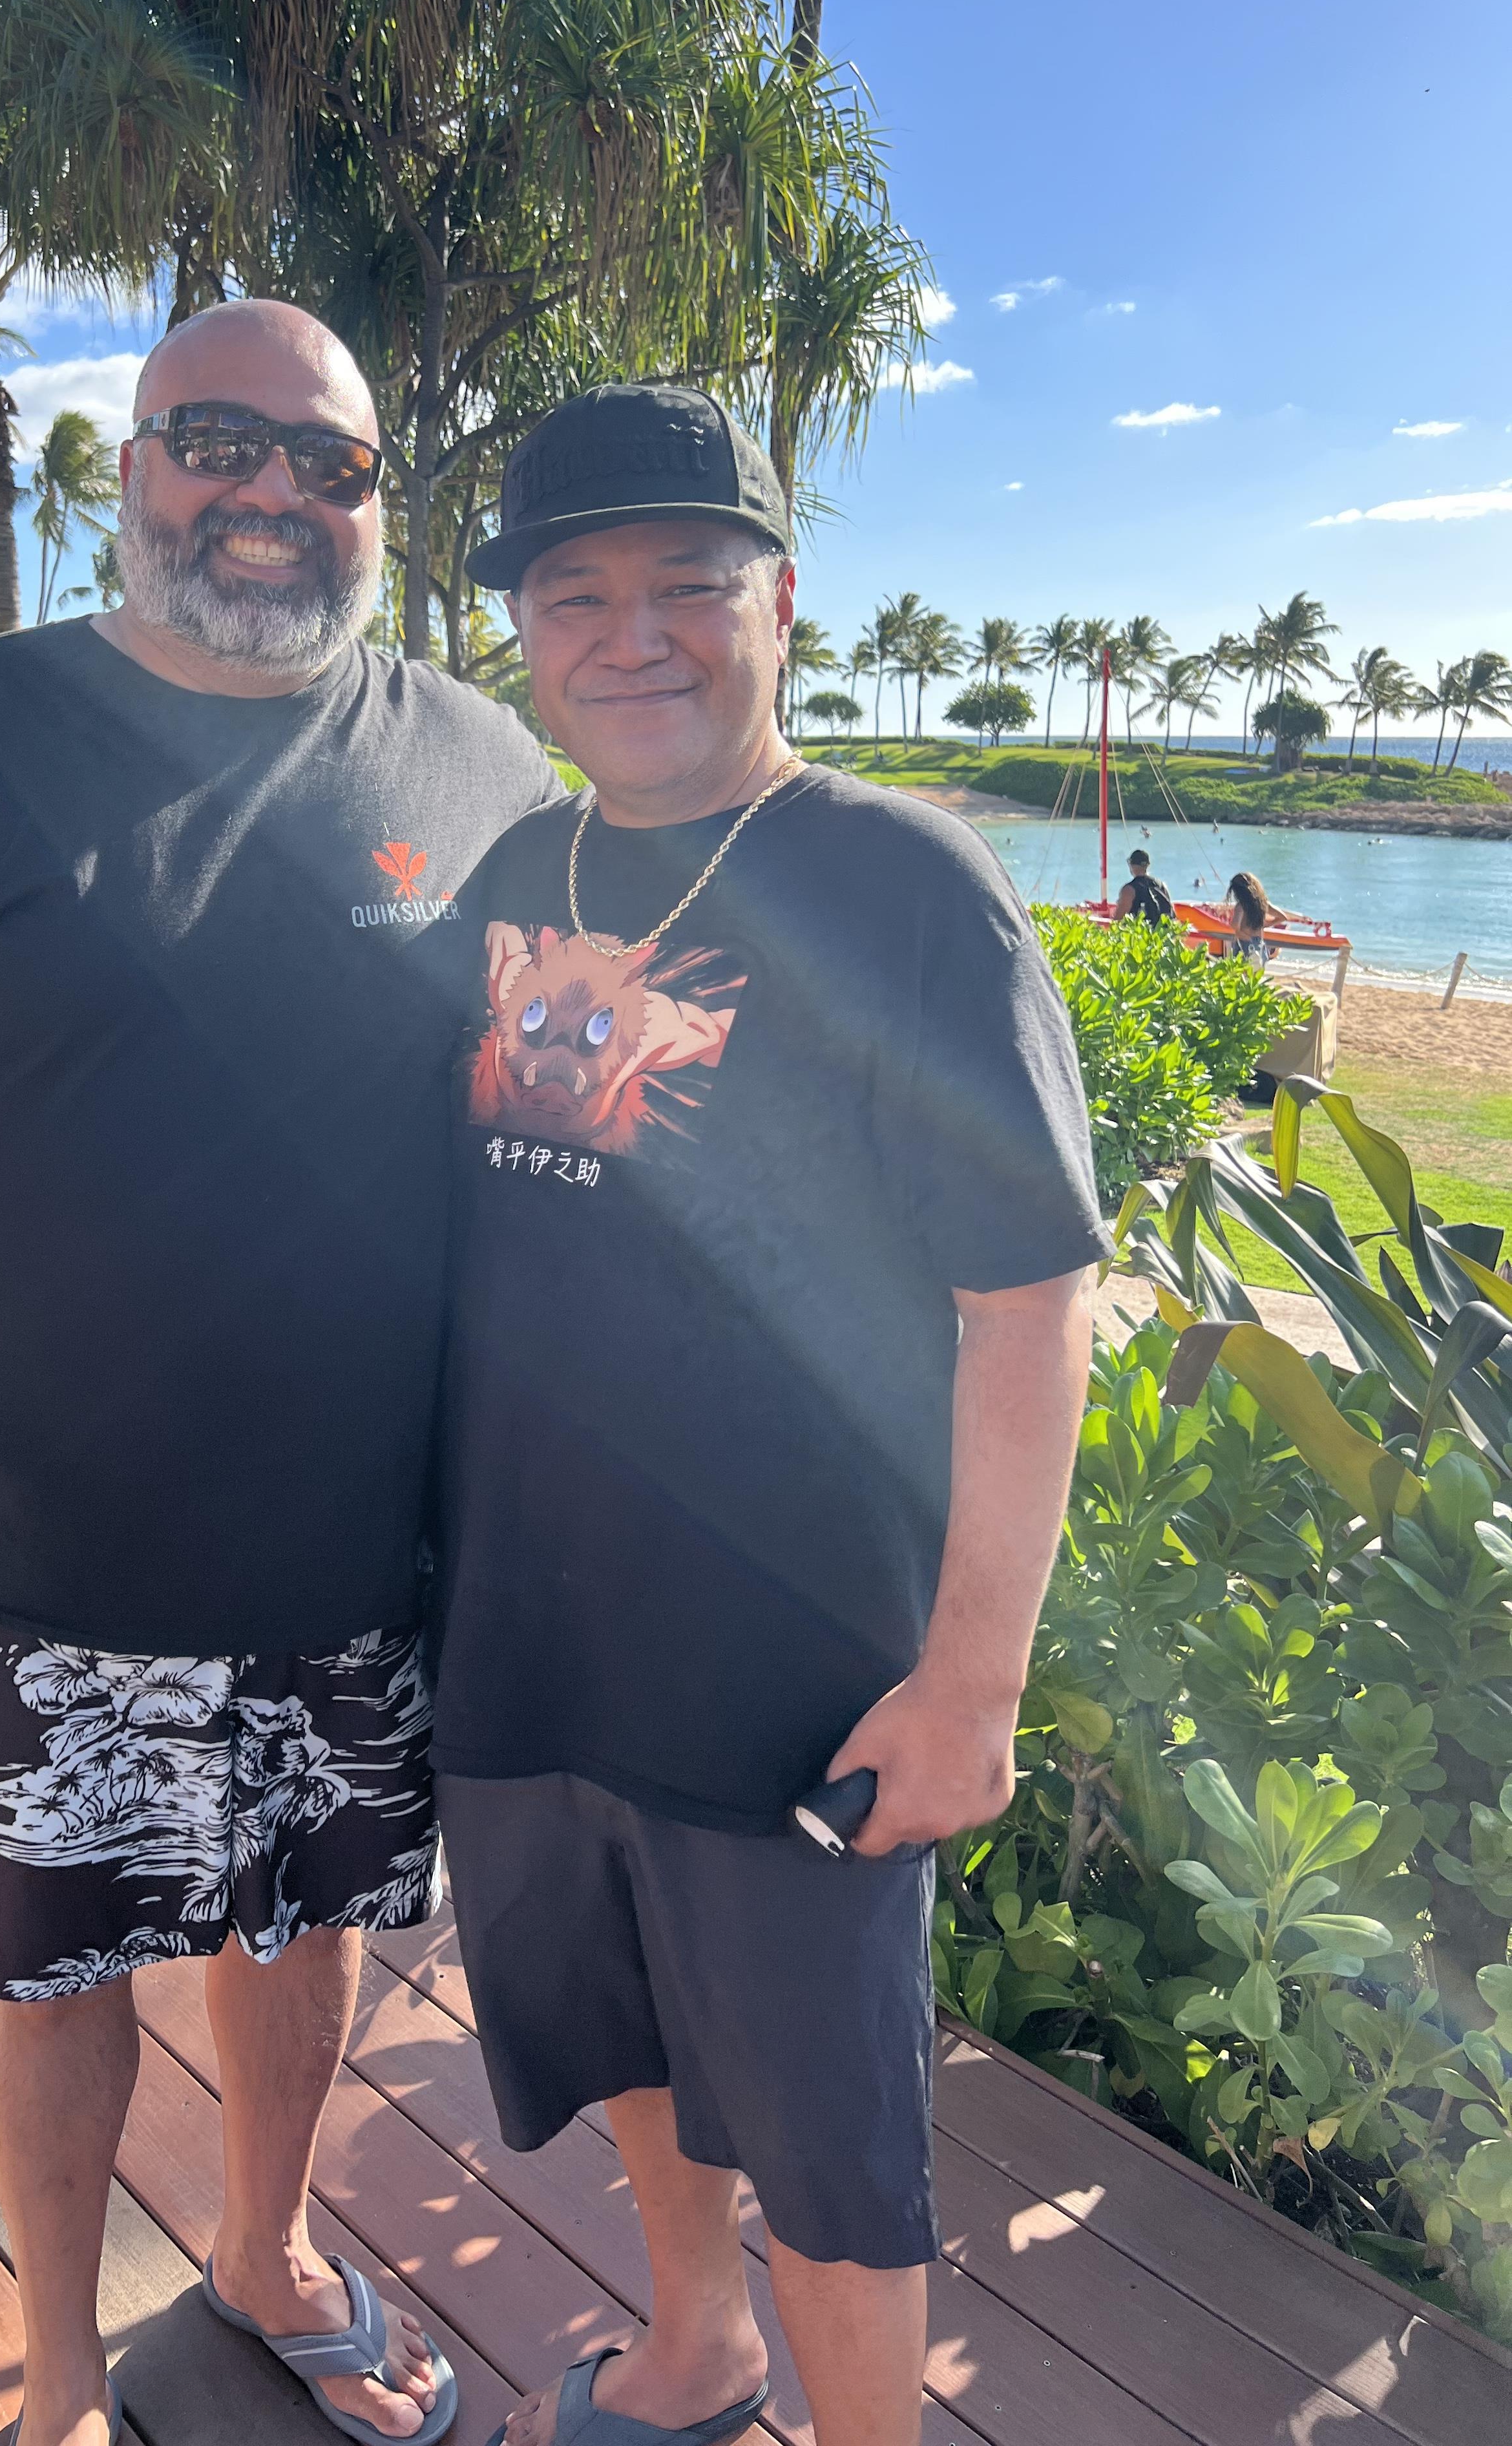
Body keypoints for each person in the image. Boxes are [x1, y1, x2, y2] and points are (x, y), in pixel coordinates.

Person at [0, 300, 559, 2446]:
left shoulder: (478, 761)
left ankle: (262, 2251)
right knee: (46, 1983)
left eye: (324, 462)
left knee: (301, 1921)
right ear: (129, 471)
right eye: (215, 444)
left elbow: (572, 1089)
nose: (267, 496)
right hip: (38, 1550)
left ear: (378, 500)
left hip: (369, 1548)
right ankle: (58, 2380)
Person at [430, 385, 1111, 2446]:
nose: (631, 635)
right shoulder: (516, 862)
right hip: (534, 1634)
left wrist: (974, 1675)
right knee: (618, 2033)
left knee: (830, 2132)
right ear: (525, 636)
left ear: (782, 603)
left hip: (797, 1662)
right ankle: (697, 2340)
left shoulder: (908, 887)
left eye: (686, 587)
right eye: (576, 595)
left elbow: (1029, 1301)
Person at [1219, 869, 1290, 965]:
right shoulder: (1263, 904)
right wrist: (1267, 924)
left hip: (1244, 943)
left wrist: (1240, 932)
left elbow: (1235, 924)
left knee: (1241, 975)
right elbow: (1283, 917)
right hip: (1259, 944)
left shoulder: (1241, 906)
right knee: (1256, 974)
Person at [1112, 845, 1174, 925]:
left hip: (1140, 935)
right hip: (1161, 934)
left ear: (1131, 865)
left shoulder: (1129, 890)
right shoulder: (1161, 886)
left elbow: (1118, 920)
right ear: (1148, 865)